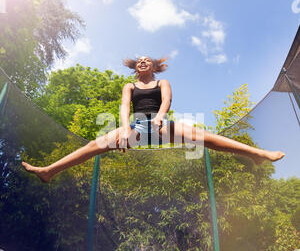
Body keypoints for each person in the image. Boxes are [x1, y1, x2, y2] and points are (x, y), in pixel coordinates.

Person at [22, 56, 285, 183]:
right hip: (135, 127)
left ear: (155, 67)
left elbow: (167, 101)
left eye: (149, 61)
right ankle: (49, 171)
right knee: (94, 145)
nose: (144, 62)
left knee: (207, 138)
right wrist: (125, 129)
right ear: (137, 68)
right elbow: (125, 106)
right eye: (141, 61)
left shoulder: (163, 82)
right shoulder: (128, 85)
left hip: (160, 124)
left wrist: (160, 117)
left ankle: (257, 154)